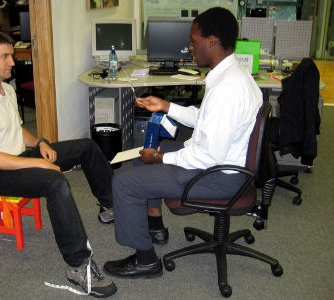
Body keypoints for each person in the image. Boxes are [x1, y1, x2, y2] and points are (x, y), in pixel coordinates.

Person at [103, 7, 263, 279]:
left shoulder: (227, 89)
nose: (190, 47)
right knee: (141, 156)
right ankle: (155, 226)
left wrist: (159, 158)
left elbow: (204, 157)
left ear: (212, 42)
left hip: (218, 175)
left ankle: (145, 261)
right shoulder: (232, 74)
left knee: (124, 182)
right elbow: (205, 120)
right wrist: (166, 106)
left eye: (194, 40)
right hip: (223, 163)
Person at [0, 30, 117, 298]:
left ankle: (111, 205)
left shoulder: (5, 90)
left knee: (87, 146)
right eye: (6, 56)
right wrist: (40, 166)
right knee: (56, 182)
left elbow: (18, 131)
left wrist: (41, 143)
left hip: (19, 158)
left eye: (11, 54)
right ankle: (78, 266)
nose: (13, 61)